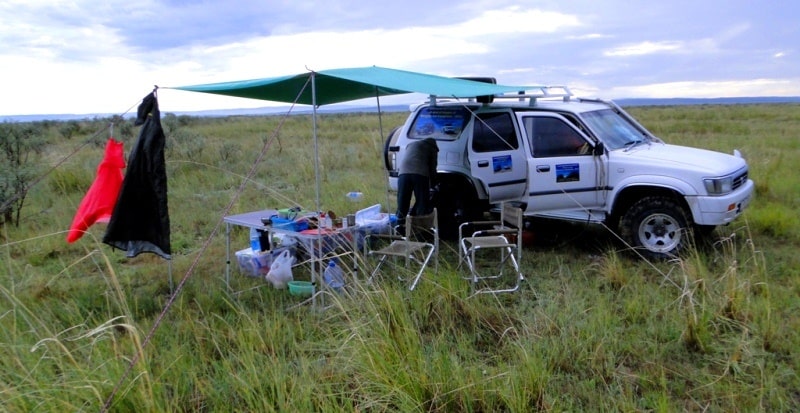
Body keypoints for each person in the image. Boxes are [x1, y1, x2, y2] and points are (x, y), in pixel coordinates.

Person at [396, 137, 438, 223]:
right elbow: (432, 168)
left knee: (402, 202)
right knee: (422, 203)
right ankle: (420, 230)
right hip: (420, 174)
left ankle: (399, 229)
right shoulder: (432, 147)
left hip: (403, 173)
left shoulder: (411, 144)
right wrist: (434, 184)